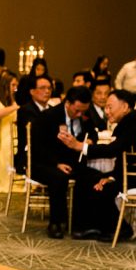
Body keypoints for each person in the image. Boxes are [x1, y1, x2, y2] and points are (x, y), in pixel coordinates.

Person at [57, 89, 136, 241]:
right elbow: (122, 154)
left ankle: (120, 229)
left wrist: (80, 146)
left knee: (100, 186)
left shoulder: (134, 122)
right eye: (106, 108)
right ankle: (88, 227)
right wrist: (111, 176)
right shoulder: (130, 121)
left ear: (125, 106)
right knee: (88, 177)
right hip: (132, 173)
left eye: (110, 107)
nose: (106, 111)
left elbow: (112, 150)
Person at [29, 85, 96, 239]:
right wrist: (56, 163)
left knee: (92, 176)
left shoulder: (85, 114)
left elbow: (92, 132)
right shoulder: (48, 116)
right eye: (77, 110)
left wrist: (91, 139)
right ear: (68, 103)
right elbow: (38, 147)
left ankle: (81, 223)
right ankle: (55, 222)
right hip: (45, 162)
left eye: (83, 111)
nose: (80, 114)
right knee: (59, 177)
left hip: (72, 161)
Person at [14, 75, 52, 175]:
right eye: (43, 88)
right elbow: (35, 133)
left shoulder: (53, 110)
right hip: (31, 157)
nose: (47, 91)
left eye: (49, 88)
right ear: (32, 91)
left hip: (50, 155)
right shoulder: (26, 110)